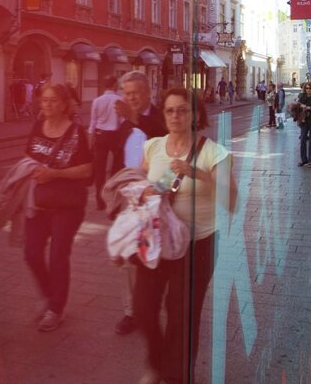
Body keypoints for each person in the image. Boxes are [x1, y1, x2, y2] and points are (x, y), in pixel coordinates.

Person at [133, 88, 235, 384]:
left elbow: (231, 201)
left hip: (197, 244)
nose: (176, 116)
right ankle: (157, 361)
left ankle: (178, 376)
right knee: (143, 308)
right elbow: (141, 183)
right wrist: (144, 192)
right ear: (163, 115)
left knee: (181, 315)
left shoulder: (214, 152)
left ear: (195, 115)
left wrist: (199, 174)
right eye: (169, 110)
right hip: (156, 240)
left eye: (183, 110)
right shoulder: (152, 147)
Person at [20, 83, 91, 332]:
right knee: (31, 252)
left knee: (58, 254)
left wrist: (54, 173)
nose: (47, 105)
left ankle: (56, 309)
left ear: (64, 105)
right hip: (39, 202)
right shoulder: (38, 127)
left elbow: (87, 170)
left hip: (67, 204)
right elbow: (29, 156)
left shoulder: (76, 132)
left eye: (53, 101)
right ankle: (51, 295)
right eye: (44, 100)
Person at [112, 70, 167, 336]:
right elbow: (118, 159)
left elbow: (161, 142)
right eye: (127, 93)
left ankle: (150, 306)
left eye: (136, 93)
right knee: (125, 256)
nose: (131, 97)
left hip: (152, 197)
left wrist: (134, 119)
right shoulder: (124, 123)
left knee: (149, 255)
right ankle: (130, 312)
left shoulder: (159, 118)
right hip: (127, 197)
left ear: (147, 93)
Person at [89, 75, 125, 210]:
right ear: (114, 85)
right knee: (116, 170)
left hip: (99, 135)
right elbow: (122, 121)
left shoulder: (96, 101)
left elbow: (92, 122)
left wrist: (90, 140)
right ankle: (113, 199)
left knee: (100, 169)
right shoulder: (119, 100)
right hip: (114, 136)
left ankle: (99, 201)